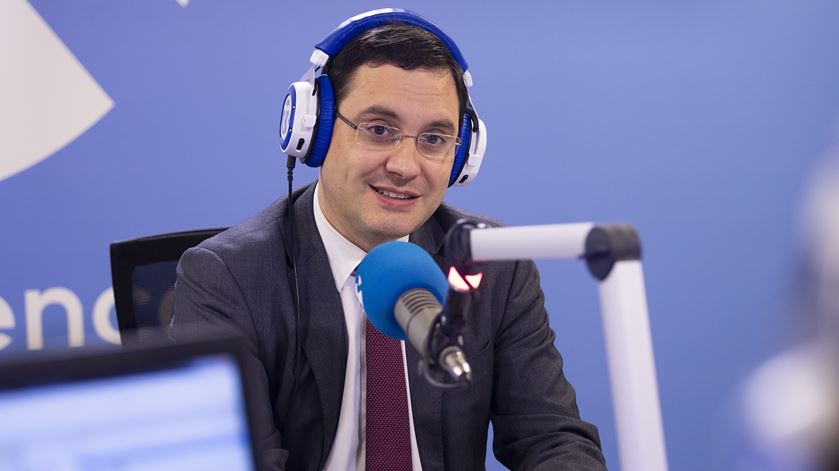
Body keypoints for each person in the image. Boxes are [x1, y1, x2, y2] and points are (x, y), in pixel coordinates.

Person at [171, 9, 606, 471]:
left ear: (463, 157)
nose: (405, 165)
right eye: (379, 130)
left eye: (435, 138)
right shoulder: (227, 279)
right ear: (313, 131)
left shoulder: (491, 263)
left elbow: (554, 440)